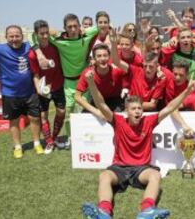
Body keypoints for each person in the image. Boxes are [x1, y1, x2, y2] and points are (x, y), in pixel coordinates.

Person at [81, 70, 195, 219]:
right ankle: (104, 212)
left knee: (155, 175)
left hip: (141, 169)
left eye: (139, 108)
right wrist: (91, 83)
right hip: (119, 167)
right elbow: (101, 104)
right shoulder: (117, 121)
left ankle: (147, 211)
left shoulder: (148, 121)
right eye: (133, 109)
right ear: (126, 111)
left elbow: (169, 108)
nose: (137, 111)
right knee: (104, 176)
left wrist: (187, 91)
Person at [33, 13, 99, 149]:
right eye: (70, 27)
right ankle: (71, 137)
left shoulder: (86, 34)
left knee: (83, 110)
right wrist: (39, 54)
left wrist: (88, 30)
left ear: (80, 26)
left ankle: (85, 137)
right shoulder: (57, 39)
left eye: (76, 26)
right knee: (69, 113)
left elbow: (102, 26)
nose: (73, 29)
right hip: (68, 82)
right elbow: (33, 36)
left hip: (84, 80)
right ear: (65, 28)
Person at [0, 25, 43, 158]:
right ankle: (18, 147)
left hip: (30, 92)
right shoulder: (0, 49)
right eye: (11, 36)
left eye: (17, 36)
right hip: (10, 94)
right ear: (6, 37)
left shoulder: (28, 46)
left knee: (35, 118)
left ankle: (37, 143)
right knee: (14, 121)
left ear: (22, 36)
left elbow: (39, 38)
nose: (14, 39)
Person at [28, 20, 66, 154]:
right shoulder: (33, 54)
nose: (45, 36)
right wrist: (39, 89)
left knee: (61, 112)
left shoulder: (55, 46)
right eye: (41, 34)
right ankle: (49, 142)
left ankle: (54, 137)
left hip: (58, 85)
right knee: (43, 116)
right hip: (44, 88)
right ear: (36, 34)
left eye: (46, 33)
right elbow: (35, 74)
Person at [111, 31, 171, 112]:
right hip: (131, 110)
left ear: (157, 66)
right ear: (142, 64)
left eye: (151, 67)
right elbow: (116, 61)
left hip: (147, 111)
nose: (147, 69)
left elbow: (152, 105)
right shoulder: (135, 70)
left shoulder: (161, 79)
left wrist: (132, 104)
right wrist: (113, 43)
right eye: (145, 66)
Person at [75, 43, 126, 116]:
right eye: (99, 56)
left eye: (105, 55)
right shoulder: (88, 73)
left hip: (115, 101)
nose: (102, 59)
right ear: (94, 59)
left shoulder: (117, 71)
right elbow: (77, 96)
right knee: (84, 117)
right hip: (96, 101)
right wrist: (95, 111)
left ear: (109, 57)